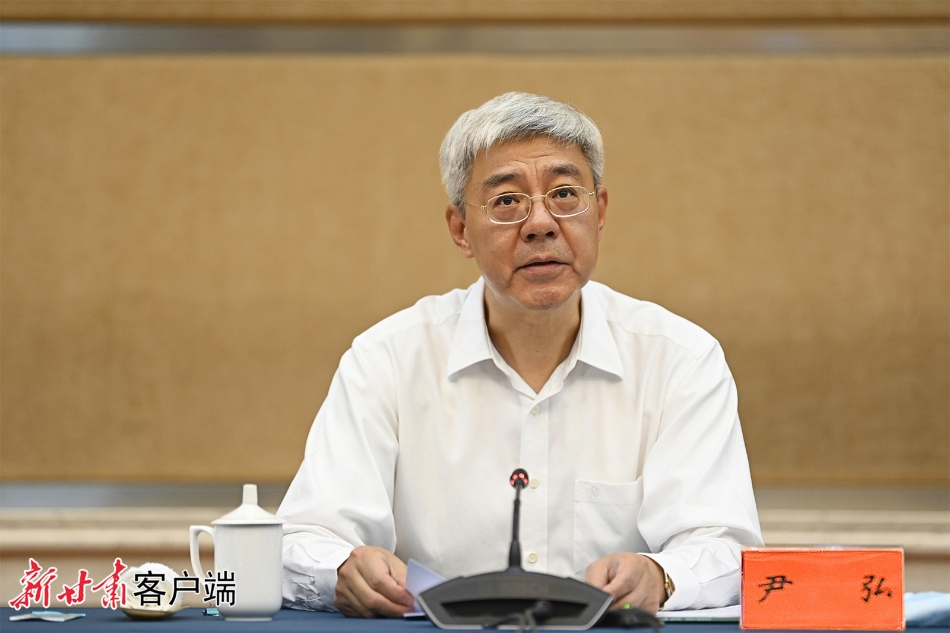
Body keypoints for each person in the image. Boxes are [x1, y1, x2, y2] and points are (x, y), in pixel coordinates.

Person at [277, 92, 763, 618]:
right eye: (507, 201)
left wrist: (661, 576)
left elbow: (723, 548)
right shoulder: (387, 361)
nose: (541, 223)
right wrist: (341, 569)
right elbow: (303, 539)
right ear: (461, 230)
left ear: (599, 211)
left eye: (565, 194)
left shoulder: (680, 361)